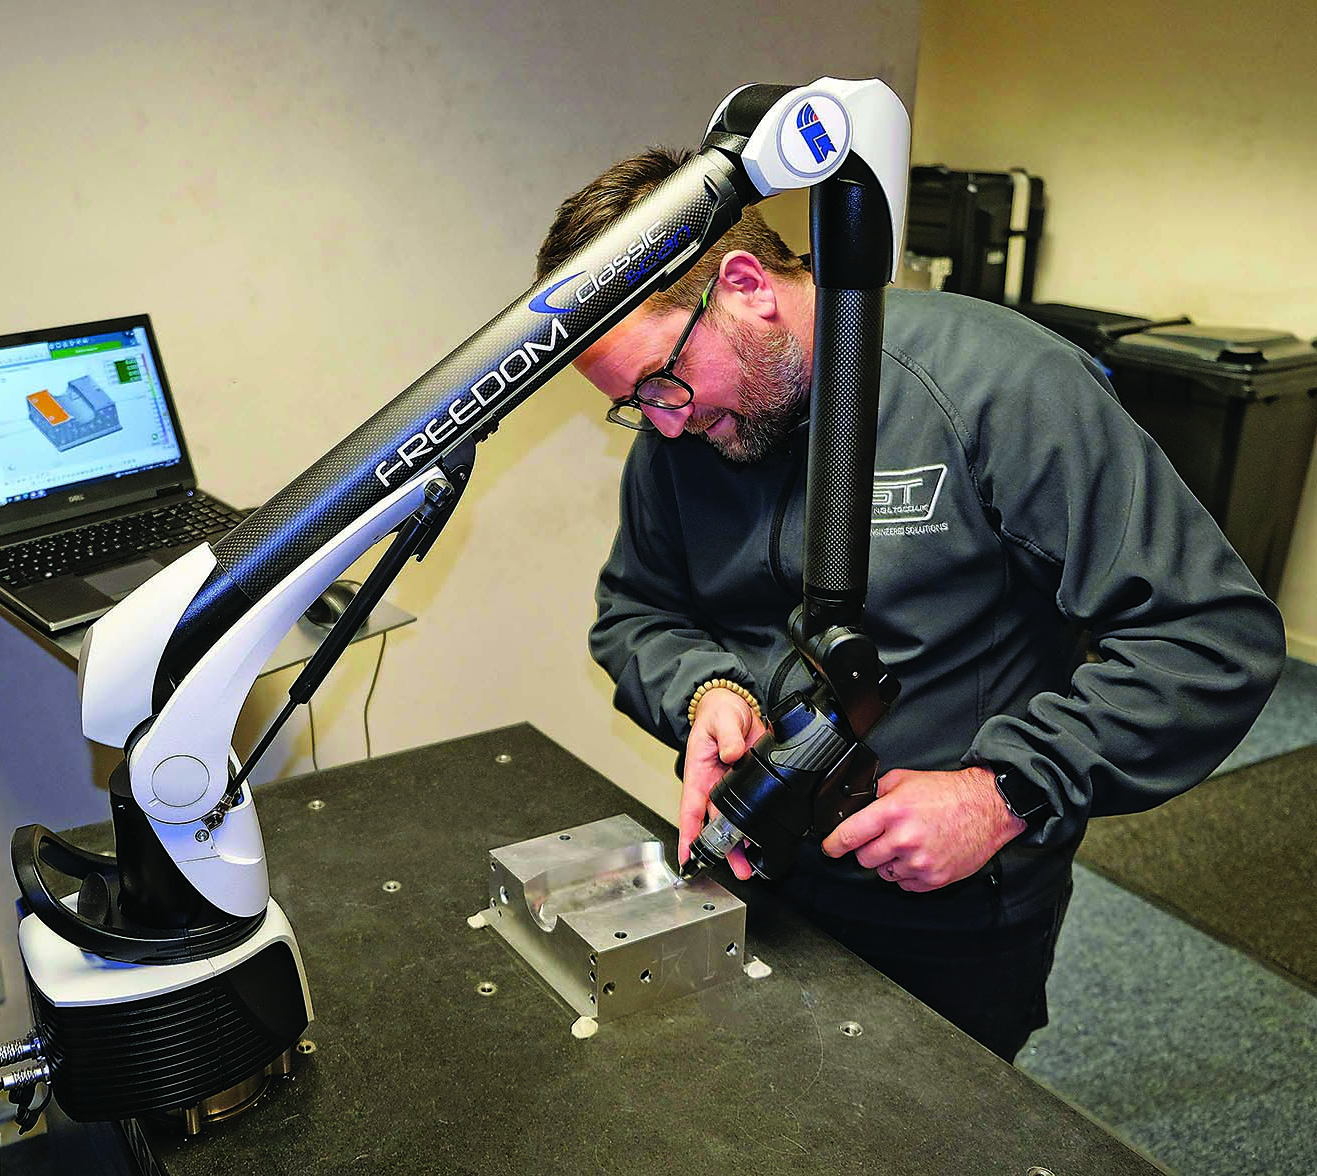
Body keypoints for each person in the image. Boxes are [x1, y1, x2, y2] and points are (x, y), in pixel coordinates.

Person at [536, 147, 1287, 1062]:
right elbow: (636, 614)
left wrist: (1005, 789)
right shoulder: (689, 427)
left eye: (660, 383)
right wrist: (706, 692)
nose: (661, 423)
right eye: (631, 406)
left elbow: (1210, 636)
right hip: (757, 864)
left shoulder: (998, 385)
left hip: (953, 898)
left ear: (744, 285)